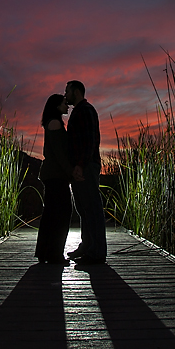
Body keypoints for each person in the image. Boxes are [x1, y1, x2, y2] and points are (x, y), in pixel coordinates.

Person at [64, 80, 106, 264]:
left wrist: (80, 165)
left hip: (86, 166)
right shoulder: (79, 112)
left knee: (91, 207)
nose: (65, 95)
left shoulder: (86, 110)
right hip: (80, 166)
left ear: (76, 91)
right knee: (83, 208)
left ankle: (96, 251)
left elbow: (89, 142)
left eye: (68, 91)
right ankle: (87, 245)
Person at [34, 93, 74, 265]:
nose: (67, 106)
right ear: (57, 106)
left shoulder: (51, 122)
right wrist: (71, 172)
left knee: (51, 213)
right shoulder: (56, 123)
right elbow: (60, 154)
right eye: (64, 103)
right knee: (62, 213)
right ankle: (55, 253)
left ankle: (45, 252)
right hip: (56, 175)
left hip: (51, 175)